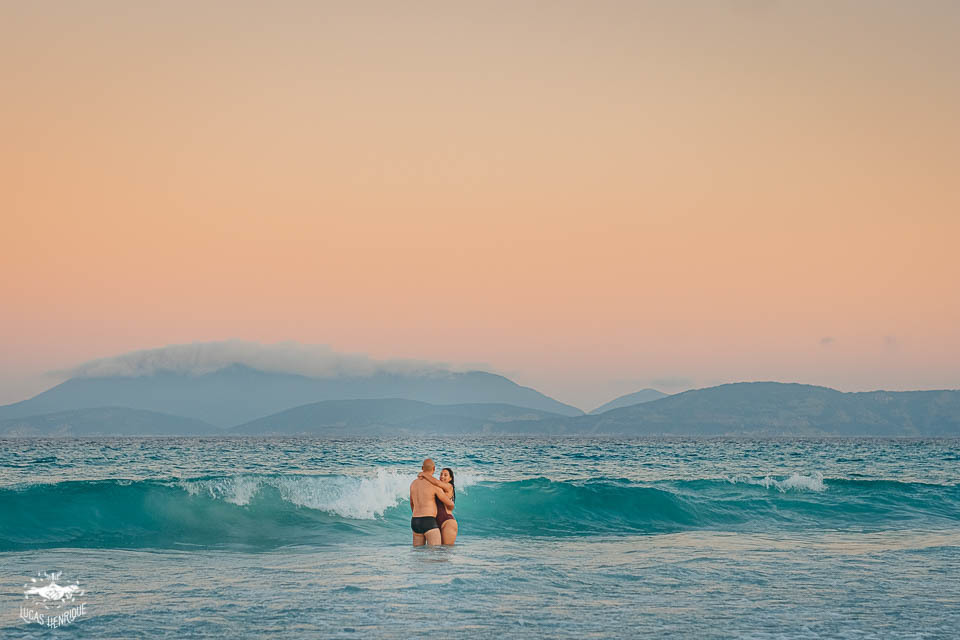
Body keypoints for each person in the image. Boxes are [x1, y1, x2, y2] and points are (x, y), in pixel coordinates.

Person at [409, 458, 454, 547]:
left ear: (422, 468)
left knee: (418, 555)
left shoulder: (413, 484)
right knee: (435, 554)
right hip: (428, 521)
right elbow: (449, 503)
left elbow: (412, 503)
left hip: (415, 521)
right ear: (434, 469)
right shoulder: (434, 485)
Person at [418, 467, 458, 546]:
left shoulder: (449, 487)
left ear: (450, 478)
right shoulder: (437, 489)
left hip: (447, 522)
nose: (442, 476)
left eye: (445, 475)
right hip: (435, 522)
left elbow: (437, 483)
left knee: (446, 551)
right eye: (441, 474)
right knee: (437, 553)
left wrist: (424, 474)